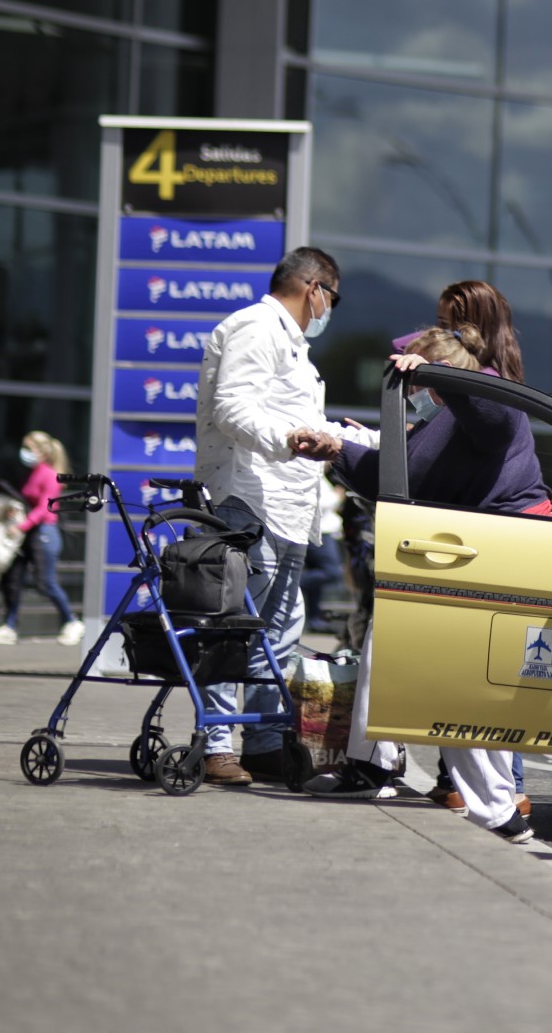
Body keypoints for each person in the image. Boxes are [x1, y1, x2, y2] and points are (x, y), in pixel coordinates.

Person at [299, 295, 548, 845]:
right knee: (389, 650)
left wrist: (443, 379)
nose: (409, 389)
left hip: (493, 557)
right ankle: (375, 767)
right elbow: (397, 475)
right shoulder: (443, 420)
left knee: (453, 681)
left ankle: (495, 805)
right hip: (459, 553)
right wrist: (335, 449)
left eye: (415, 375)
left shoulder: (488, 396)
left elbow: (493, 416)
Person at [192, 246, 373, 786]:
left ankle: (265, 743)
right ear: (315, 288)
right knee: (232, 626)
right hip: (248, 499)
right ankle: (216, 744)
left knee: (278, 631)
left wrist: (367, 440)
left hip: (289, 507)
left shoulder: (292, 345)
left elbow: (301, 422)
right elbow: (232, 407)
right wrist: (290, 439)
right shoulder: (256, 326)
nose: (328, 310)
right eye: (332, 298)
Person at [0, 432, 84, 647]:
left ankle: (71, 621)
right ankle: (10, 625)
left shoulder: (49, 475)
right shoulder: (33, 473)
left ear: (43, 452)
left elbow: (45, 507)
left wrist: (22, 526)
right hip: (30, 533)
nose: (25, 453)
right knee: (14, 578)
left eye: (29, 448)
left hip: (44, 533)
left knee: (45, 582)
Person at [300, 476, 346, 634]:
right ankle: (293, 583)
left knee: (317, 580)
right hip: (320, 533)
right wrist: (337, 497)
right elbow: (315, 505)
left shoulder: (320, 476)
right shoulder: (313, 475)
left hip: (323, 531)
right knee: (332, 572)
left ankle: (314, 620)